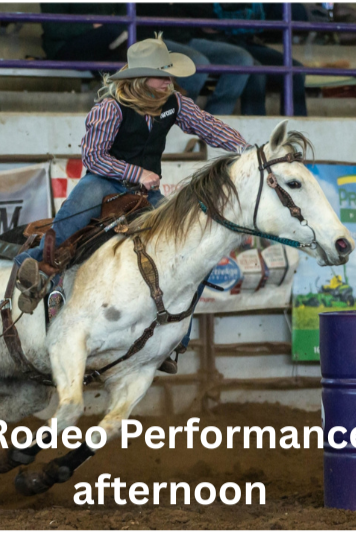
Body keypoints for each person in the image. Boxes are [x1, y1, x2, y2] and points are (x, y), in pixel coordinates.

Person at [14, 37, 251, 369]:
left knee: (188, 247)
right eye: (161, 75)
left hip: (145, 194)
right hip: (104, 184)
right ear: (140, 79)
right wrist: (135, 172)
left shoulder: (175, 103)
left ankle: (174, 340)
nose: (169, 81)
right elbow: (94, 157)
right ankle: (29, 266)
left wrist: (246, 150)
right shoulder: (110, 108)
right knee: (69, 224)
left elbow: (208, 126)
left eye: (169, 75)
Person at [138, 3, 254, 115]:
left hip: (187, 37)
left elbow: (206, 12)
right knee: (197, 63)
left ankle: (213, 121)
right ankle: (176, 117)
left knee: (241, 60)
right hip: (152, 39)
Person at [210, 3, 308, 116]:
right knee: (256, 72)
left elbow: (295, 13)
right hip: (218, 40)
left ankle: (295, 126)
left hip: (247, 41)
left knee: (295, 71)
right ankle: (255, 125)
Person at [40, 4, 128, 66]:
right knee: (114, 34)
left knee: (121, 44)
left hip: (106, 41)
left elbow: (126, 17)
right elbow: (52, 27)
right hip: (65, 45)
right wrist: (91, 25)